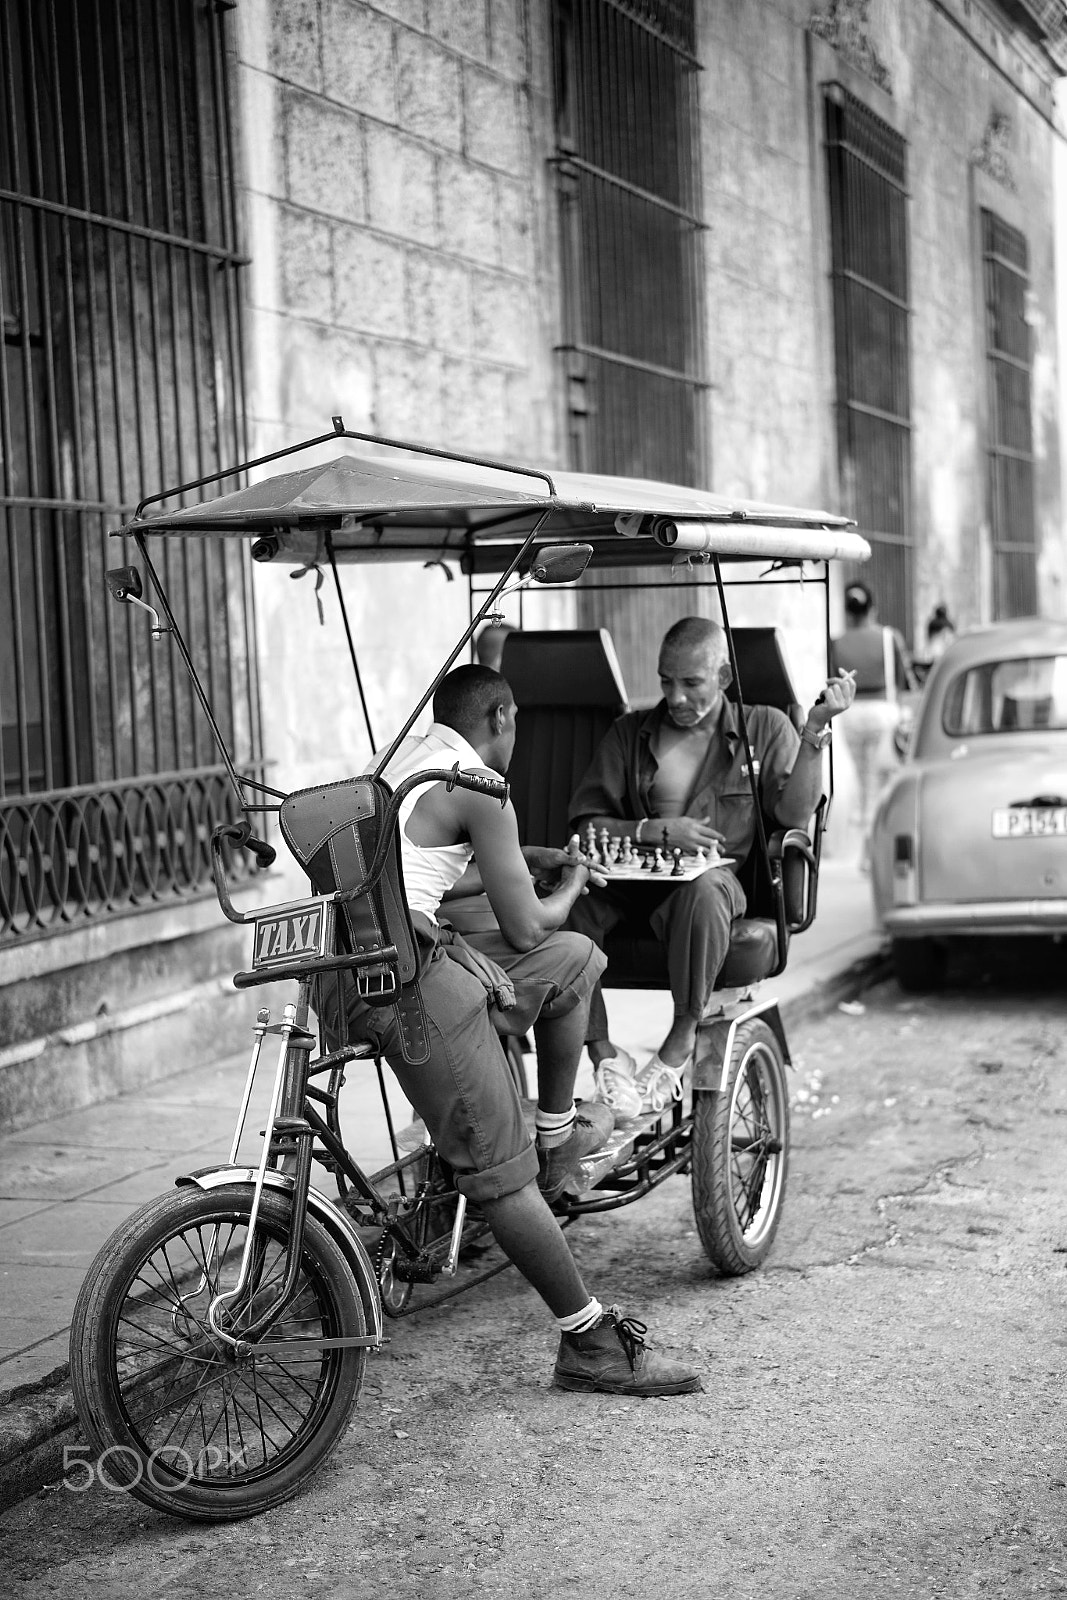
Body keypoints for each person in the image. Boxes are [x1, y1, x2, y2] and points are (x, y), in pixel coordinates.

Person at [326, 663, 701, 1396]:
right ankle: (588, 1339)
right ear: (501, 718)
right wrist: (565, 883)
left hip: (340, 973)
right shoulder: (482, 788)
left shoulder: (394, 761)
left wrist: (521, 861)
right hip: (409, 981)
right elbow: (527, 927)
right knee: (504, 1176)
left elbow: (414, 870)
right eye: (516, 725)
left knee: (575, 963)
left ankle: (552, 1133)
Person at [567, 616, 855, 1117]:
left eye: (691, 683)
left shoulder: (762, 726)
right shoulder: (630, 733)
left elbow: (792, 813)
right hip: (631, 885)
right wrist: (652, 830)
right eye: (665, 681)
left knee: (706, 890)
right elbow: (589, 821)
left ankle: (678, 1046)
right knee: (567, 900)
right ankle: (605, 1058)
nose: (674, 697)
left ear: (722, 678)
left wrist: (813, 731)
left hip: (714, 888)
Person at [830, 581, 916, 863]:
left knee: (860, 781)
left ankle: (861, 847)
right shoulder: (888, 637)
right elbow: (903, 680)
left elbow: (833, 680)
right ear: (872, 608)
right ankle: (872, 849)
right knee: (879, 782)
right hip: (883, 712)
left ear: (847, 611)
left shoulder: (837, 642)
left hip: (851, 713)